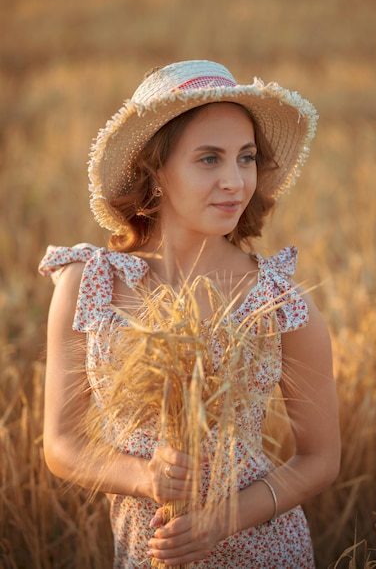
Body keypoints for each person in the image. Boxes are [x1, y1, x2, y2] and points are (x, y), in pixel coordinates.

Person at [39, 60, 341, 568]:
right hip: (147, 551)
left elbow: (320, 459)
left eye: (246, 158)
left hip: (264, 552)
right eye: (209, 159)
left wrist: (223, 518)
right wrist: (143, 476)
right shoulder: (89, 285)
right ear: (154, 170)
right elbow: (61, 444)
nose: (235, 181)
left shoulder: (279, 302)